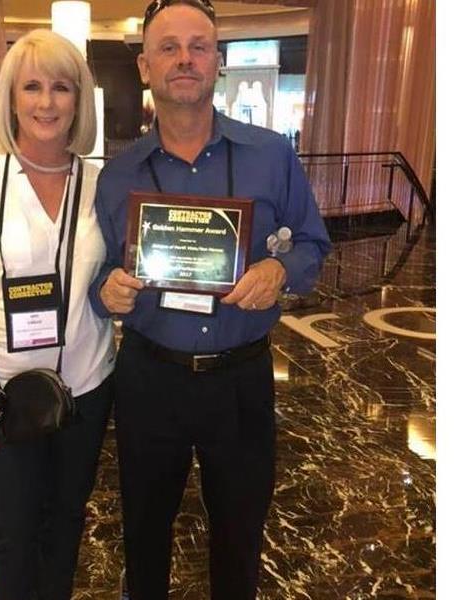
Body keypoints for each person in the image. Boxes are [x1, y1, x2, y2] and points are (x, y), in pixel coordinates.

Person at [88, 1, 332, 599]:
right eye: (168, 48)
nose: (185, 59)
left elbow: (313, 243)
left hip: (242, 379)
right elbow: (95, 273)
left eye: (199, 46)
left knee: (240, 535)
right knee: (143, 536)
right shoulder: (117, 178)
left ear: (217, 62)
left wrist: (279, 268)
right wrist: (105, 289)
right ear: (145, 66)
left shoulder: (271, 154)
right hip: (150, 379)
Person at [0, 29, 115, 600]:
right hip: (1, 394)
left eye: (62, 88)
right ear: (10, 97)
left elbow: (112, 277)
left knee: (66, 523)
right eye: (31, 86)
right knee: (11, 530)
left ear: (79, 100)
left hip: (86, 384)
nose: (47, 102)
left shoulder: (101, 182)